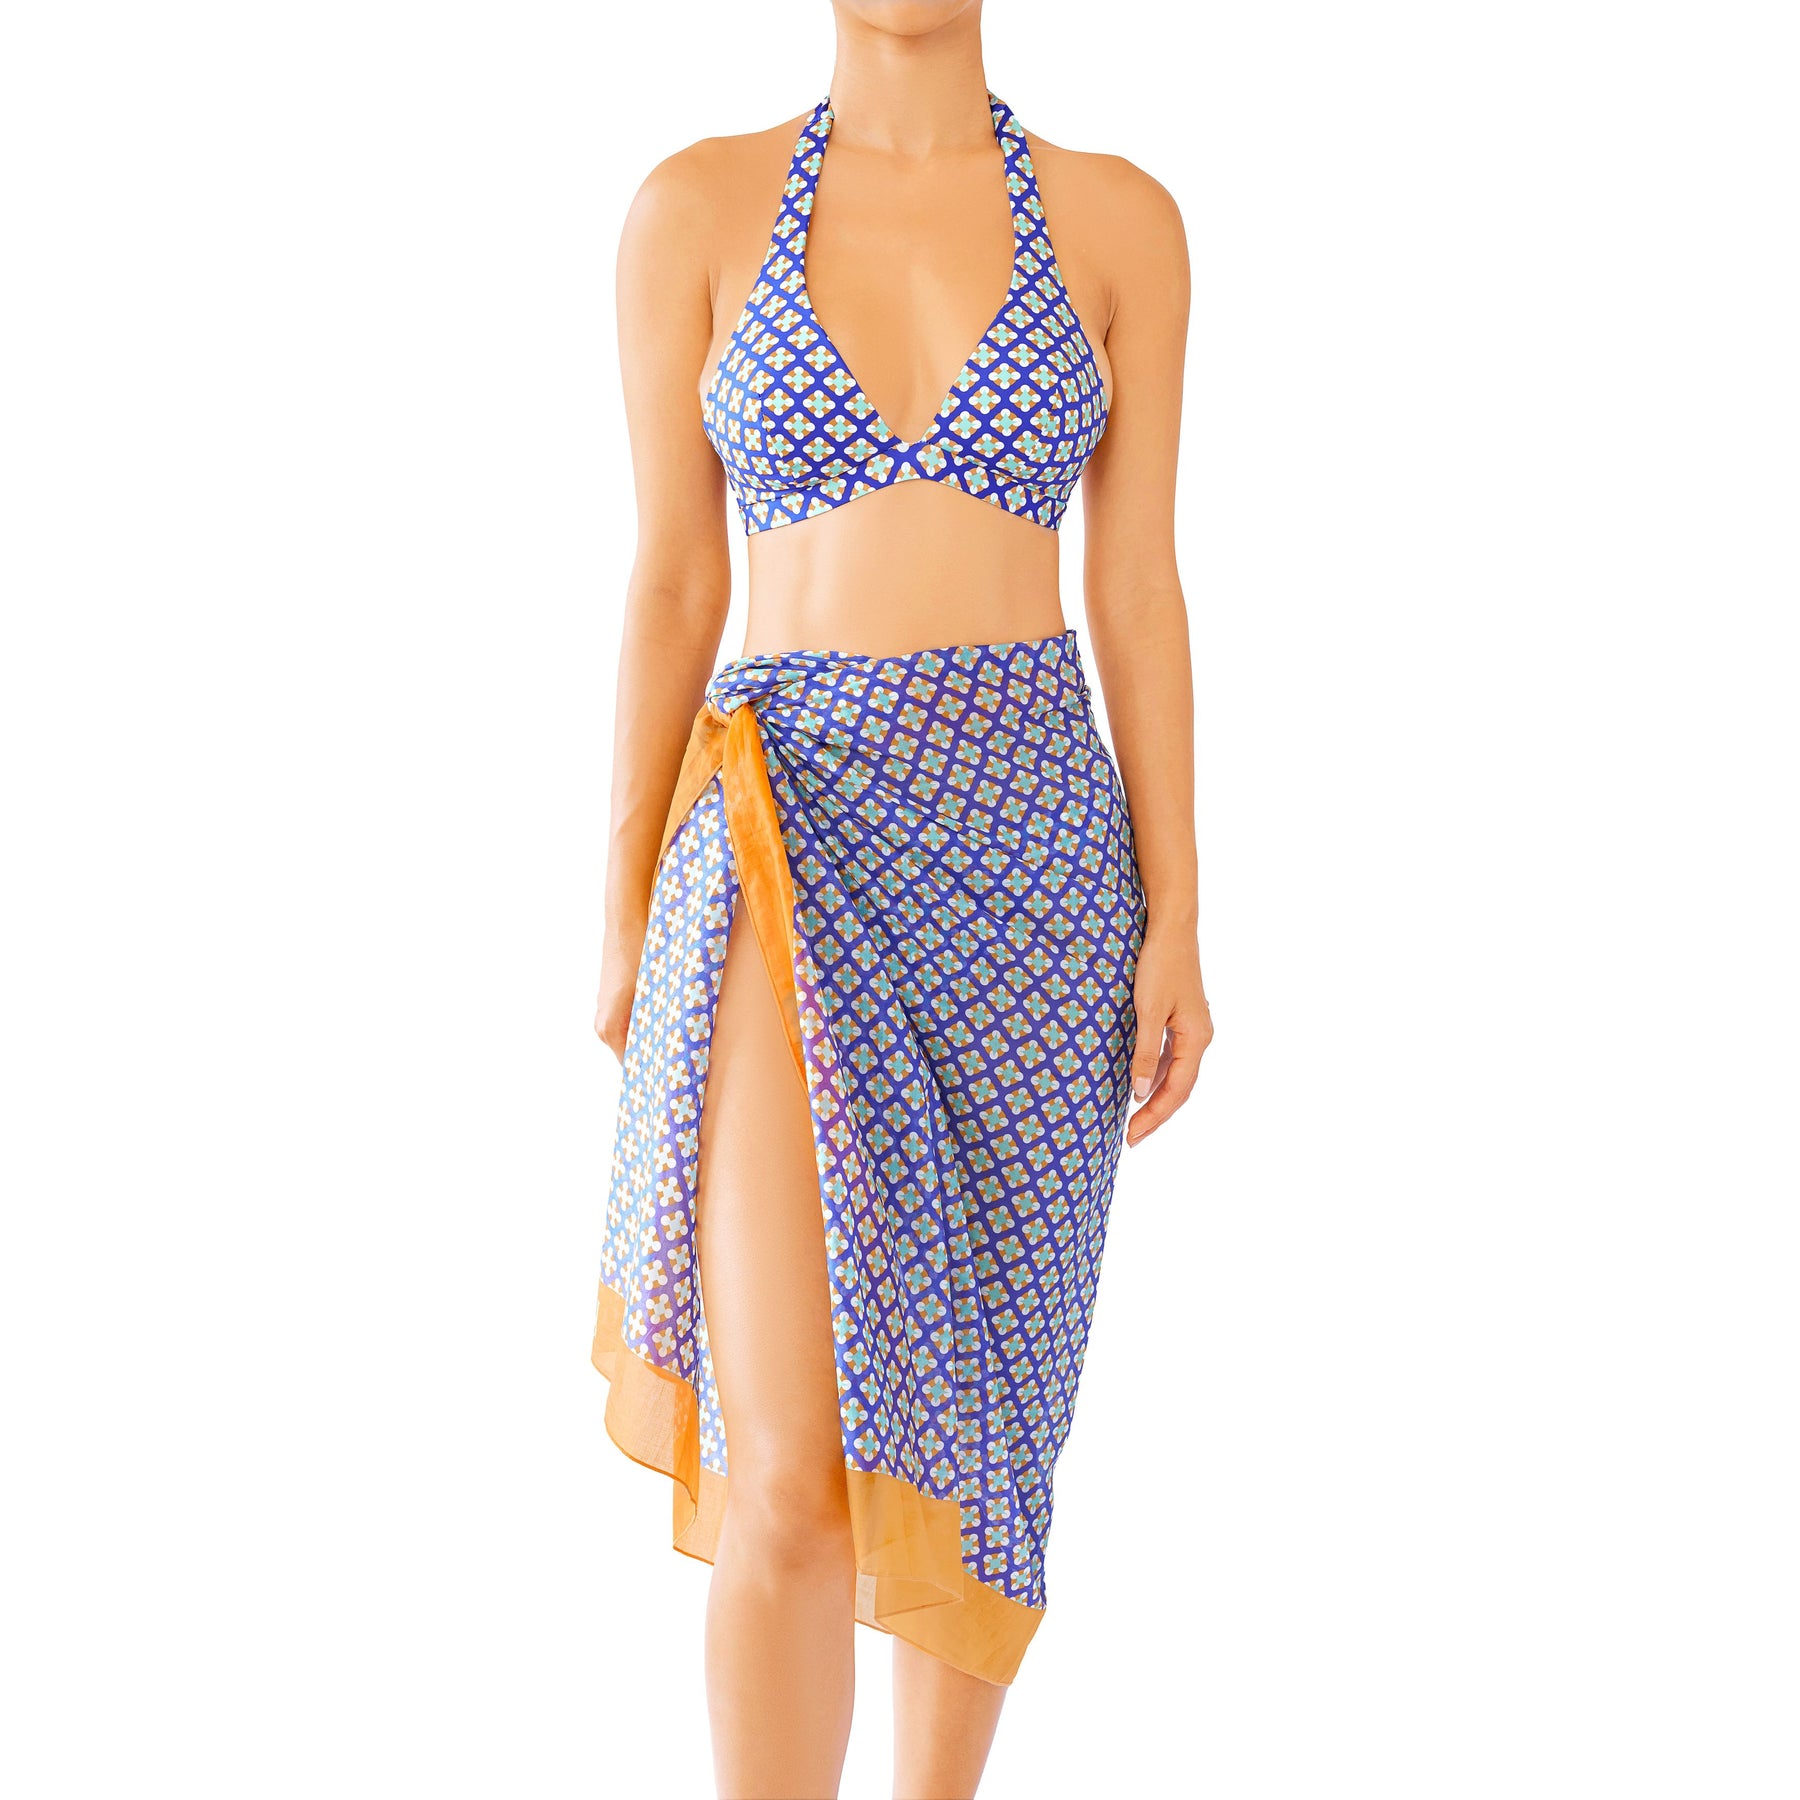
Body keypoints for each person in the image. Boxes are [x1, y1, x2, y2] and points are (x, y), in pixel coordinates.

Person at [591, 4, 1211, 1794]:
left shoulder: (1120, 220)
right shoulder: (695, 209)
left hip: (1041, 867)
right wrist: (624, 905)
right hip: (783, 828)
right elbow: (674, 575)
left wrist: (1179, 910)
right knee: (788, 1464)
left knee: (991, 1426)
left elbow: (1140, 588)